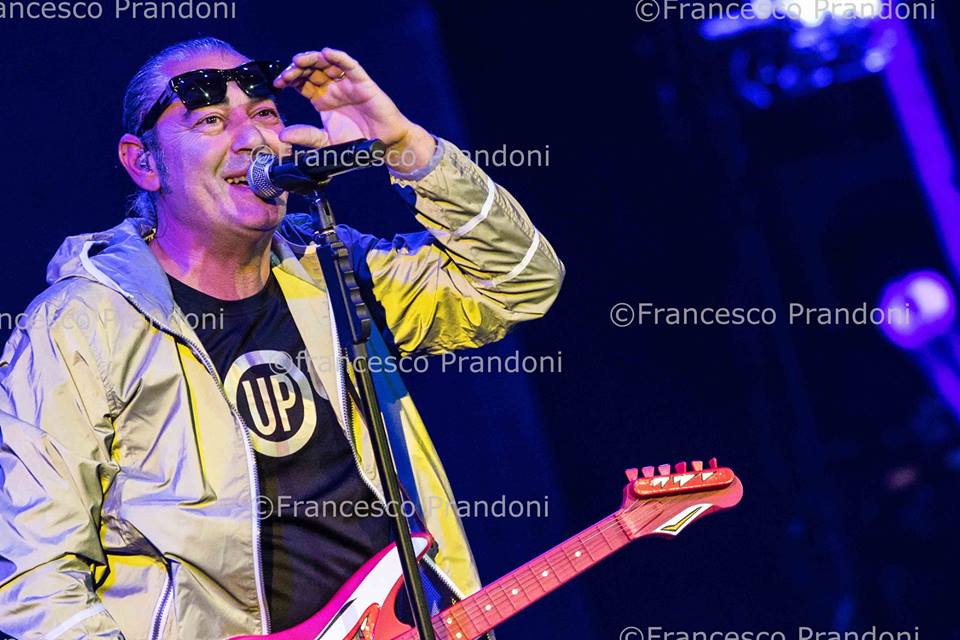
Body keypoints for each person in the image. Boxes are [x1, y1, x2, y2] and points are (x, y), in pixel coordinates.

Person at [0, 37, 563, 639]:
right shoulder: (80, 326)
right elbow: (33, 575)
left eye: (265, 113)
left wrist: (404, 148)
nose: (253, 139)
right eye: (212, 121)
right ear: (144, 162)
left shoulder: (337, 270)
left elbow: (520, 282)